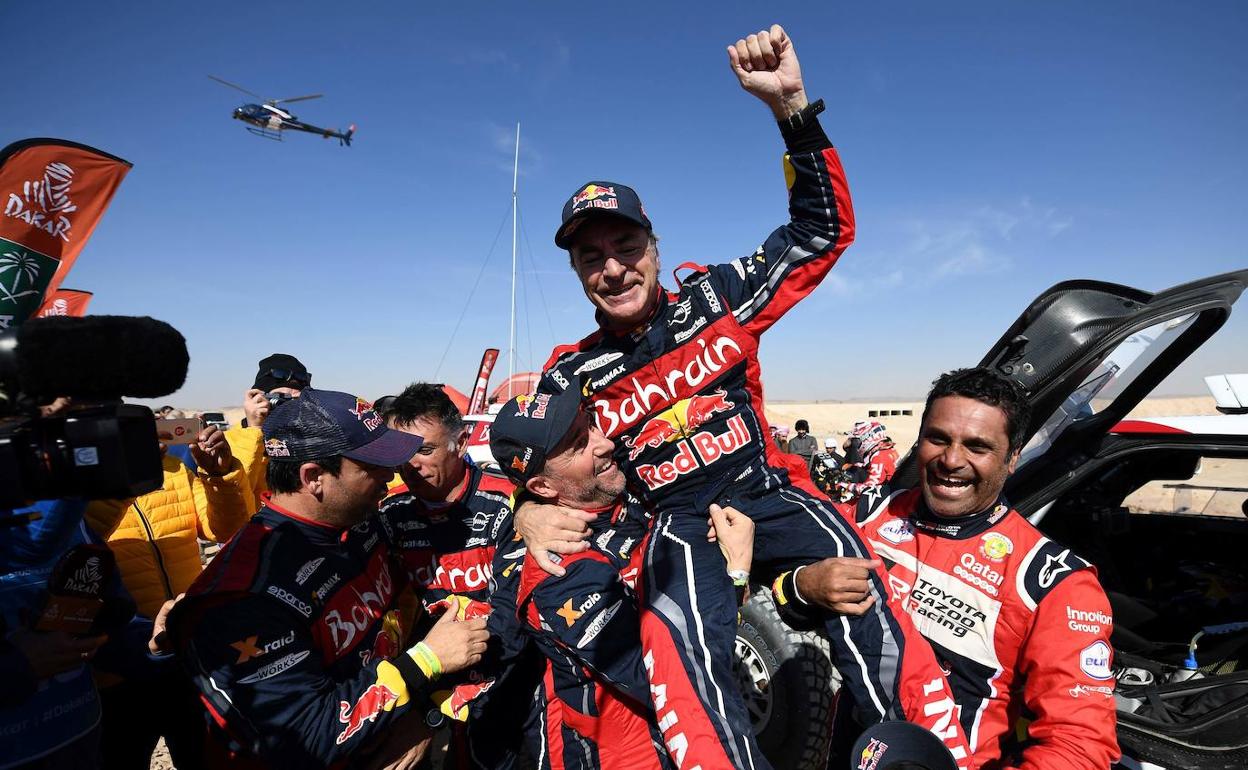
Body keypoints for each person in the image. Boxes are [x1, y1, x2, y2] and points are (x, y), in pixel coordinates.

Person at [519, 24, 973, 770]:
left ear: (655, 246)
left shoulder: (717, 297)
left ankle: (929, 758)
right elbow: (521, 458)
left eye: (625, 247)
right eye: (591, 257)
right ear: (576, 273)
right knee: (677, 643)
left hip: (770, 492)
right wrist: (530, 506)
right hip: (677, 526)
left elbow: (822, 231)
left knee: (867, 593)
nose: (613, 269)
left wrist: (791, 107)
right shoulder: (569, 374)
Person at [778, 368, 1120, 769]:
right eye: (938, 439)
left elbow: (1080, 746)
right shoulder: (868, 515)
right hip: (848, 752)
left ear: (1012, 459)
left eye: (977, 447)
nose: (952, 460)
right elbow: (786, 596)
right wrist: (803, 586)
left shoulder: (1052, 582)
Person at [169, 388, 489, 770]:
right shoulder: (242, 598)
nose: (391, 477)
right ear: (314, 477)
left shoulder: (362, 520)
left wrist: (531, 515)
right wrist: (426, 662)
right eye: (373, 467)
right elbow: (302, 739)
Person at [490, 388, 755, 769]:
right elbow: (674, 675)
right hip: (634, 756)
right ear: (544, 488)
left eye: (592, 425)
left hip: (696, 736)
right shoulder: (557, 572)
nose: (606, 443)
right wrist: (735, 577)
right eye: (579, 444)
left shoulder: (620, 483)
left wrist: (525, 509)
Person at [376, 383, 540, 768]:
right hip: (430, 683)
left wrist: (433, 710)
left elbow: (513, 623)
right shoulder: (390, 514)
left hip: (509, 685)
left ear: (462, 441)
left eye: (426, 449)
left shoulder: (511, 504)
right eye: (402, 452)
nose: (411, 464)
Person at [84, 423, 251, 770]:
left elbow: (227, 530)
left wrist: (218, 473)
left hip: (188, 647)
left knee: (205, 758)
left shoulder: (174, 469)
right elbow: (78, 540)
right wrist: (123, 479)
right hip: (118, 664)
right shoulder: (79, 483)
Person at [223, 353, 312, 511]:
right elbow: (233, 498)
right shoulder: (230, 441)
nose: (288, 408)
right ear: (259, 398)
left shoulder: (309, 435)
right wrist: (254, 429)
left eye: (296, 401)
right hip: (253, 527)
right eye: (281, 399)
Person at [831, 420, 899, 502]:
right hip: (892, 492)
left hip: (888, 499)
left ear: (867, 438)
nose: (855, 444)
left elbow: (869, 488)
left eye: (856, 440)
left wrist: (846, 485)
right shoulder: (887, 450)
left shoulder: (879, 457)